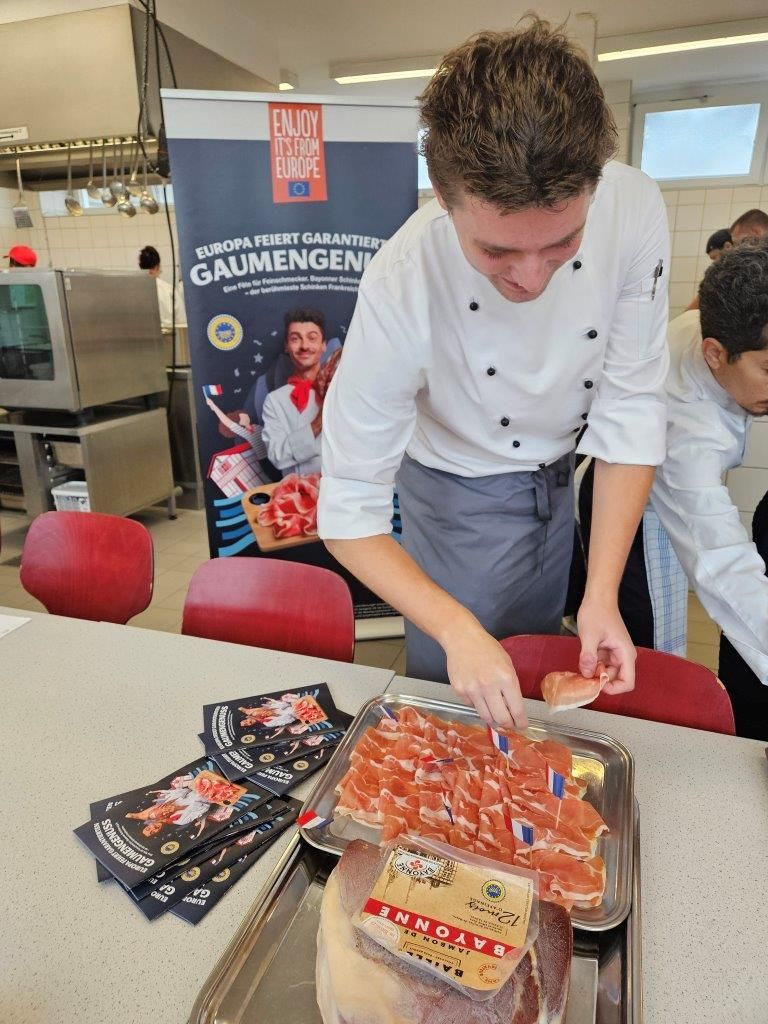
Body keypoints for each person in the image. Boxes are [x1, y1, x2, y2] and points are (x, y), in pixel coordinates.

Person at [317, 21, 671, 730]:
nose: (532, 275)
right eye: (498, 250)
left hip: (557, 472)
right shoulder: (402, 280)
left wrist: (599, 593)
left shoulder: (633, 212)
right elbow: (348, 509)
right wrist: (453, 628)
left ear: (596, 187)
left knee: (534, 663)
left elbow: (630, 408)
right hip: (454, 486)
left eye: (562, 242)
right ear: (445, 204)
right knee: (467, 694)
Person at [647, 240, 768, 739]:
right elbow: (722, 564)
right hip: (639, 508)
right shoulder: (687, 436)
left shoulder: (719, 322)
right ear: (714, 353)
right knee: (653, 648)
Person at [261, 309, 340, 476]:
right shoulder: (275, 401)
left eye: (312, 338)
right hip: (298, 492)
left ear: (323, 345)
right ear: (286, 346)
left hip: (342, 491)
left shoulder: (342, 391)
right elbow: (277, 455)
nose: (304, 346)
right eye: (295, 339)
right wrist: (318, 422)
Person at [138, 244, 186, 328]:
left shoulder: (134, 291)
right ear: (158, 265)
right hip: (167, 339)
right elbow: (182, 321)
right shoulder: (168, 290)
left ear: (141, 266)